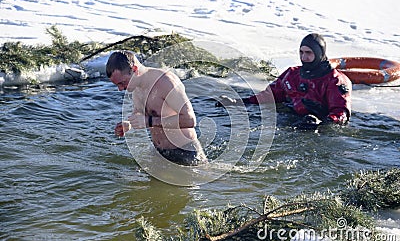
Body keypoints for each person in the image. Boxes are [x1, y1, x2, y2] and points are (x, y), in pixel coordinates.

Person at [218, 33, 352, 129]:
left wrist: (322, 123)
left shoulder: (335, 80)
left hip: (318, 128)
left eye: (308, 53)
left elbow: (341, 113)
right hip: (290, 121)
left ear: (320, 54)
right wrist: (238, 102)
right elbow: (269, 96)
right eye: (301, 52)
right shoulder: (292, 74)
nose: (303, 57)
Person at [106, 50, 207, 165]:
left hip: (186, 151)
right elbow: (142, 114)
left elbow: (190, 120)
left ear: (134, 70)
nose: (120, 89)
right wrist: (129, 124)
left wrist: (149, 121)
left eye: (122, 83)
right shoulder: (135, 87)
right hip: (158, 152)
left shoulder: (166, 82)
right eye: (117, 85)